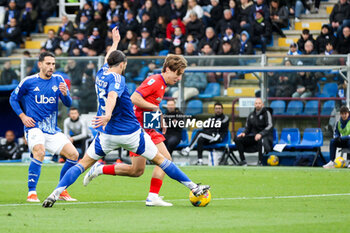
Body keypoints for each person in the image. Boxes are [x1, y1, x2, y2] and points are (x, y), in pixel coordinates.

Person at [42, 27, 210, 208]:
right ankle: (193, 187)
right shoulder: (119, 79)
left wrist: (115, 43)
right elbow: (115, 96)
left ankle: (55, 193)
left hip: (106, 134)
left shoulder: (101, 74)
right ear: (122, 65)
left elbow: (109, 59)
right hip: (131, 132)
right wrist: (107, 114)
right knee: (163, 160)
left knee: (85, 164)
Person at [9, 51, 79, 203]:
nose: (51, 67)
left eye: (53, 64)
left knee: (74, 155)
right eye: (48, 64)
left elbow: (68, 104)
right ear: (40, 64)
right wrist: (22, 116)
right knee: (39, 152)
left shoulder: (59, 79)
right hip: (34, 127)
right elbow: (13, 98)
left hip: (52, 129)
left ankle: (61, 190)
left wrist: (66, 95)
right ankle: (32, 192)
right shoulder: (29, 81)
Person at [234, 98, 273, 166]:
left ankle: (260, 162)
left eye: (259, 103)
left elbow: (270, 125)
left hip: (265, 136)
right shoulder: (251, 114)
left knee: (261, 140)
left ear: (262, 104)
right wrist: (244, 133)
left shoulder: (266, 113)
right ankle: (243, 161)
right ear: (254, 104)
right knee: (237, 139)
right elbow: (247, 127)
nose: (257, 105)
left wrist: (261, 134)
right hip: (254, 137)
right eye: (256, 103)